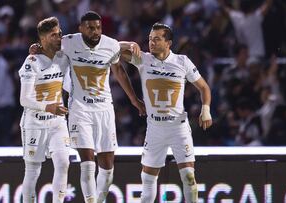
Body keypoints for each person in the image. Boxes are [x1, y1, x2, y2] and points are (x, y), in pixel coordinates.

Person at [29, 11, 145, 203]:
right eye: (90, 28)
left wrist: (134, 100)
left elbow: (118, 68)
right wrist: (37, 48)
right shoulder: (69, 42)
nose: (95, 31)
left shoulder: (110, 45)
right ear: (81, 29)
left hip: (104, 110)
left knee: (107, 169)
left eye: (98, 27)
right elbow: (49, 43)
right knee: (88, 163)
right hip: (79, 110)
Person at [120, 23, 212, 203]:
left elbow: (204, 87)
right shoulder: (142, 59)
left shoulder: (182, 62)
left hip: (178, 128)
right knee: (147, 183)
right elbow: (110, 50)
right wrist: (128, 44)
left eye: (156, 39)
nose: (151, 43)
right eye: (149, 39)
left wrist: (206, 109)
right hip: (155, 128)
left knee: (189, 178)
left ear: (168, 43)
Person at [18, 17, 70, 203]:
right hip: (35, 123)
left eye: (60, 34)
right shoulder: (31, 61)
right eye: (53, 35)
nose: (59, 38)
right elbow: (24, 99)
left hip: (57, 122)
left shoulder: (64, 57)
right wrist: (48, 106)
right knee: (33, 171)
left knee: (64, 163)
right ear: (43, 39)